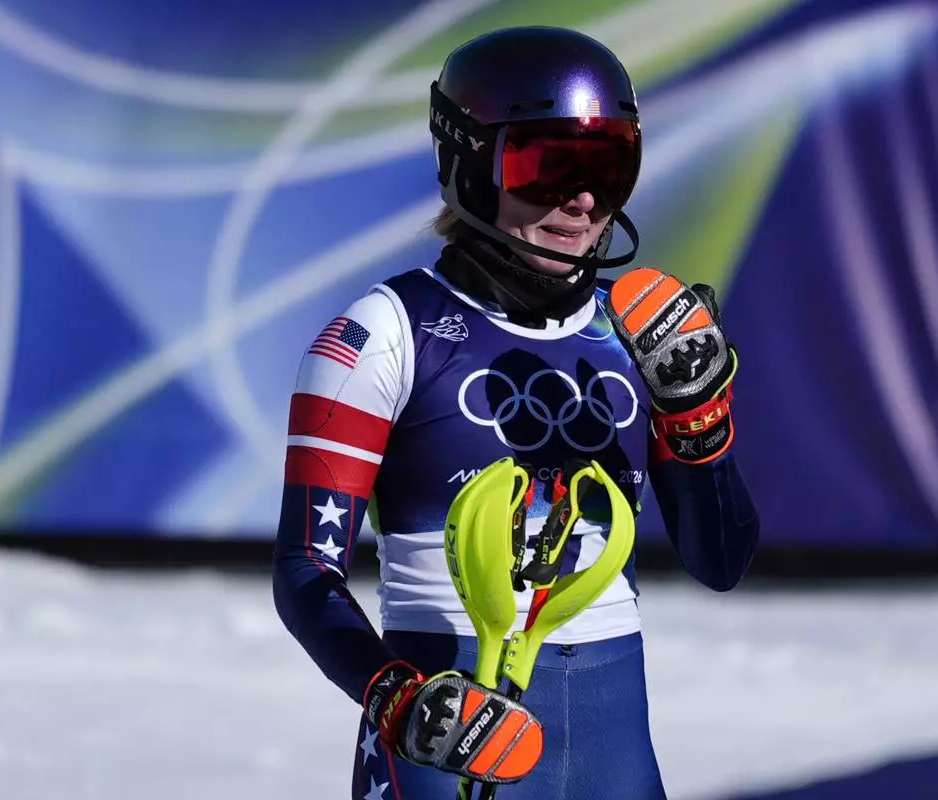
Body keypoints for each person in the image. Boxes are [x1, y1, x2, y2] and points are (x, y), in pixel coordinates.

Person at [272, 26, 760, 800]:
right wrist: (397, 697)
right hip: (446, 747)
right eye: (546, 166)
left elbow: (721, 563)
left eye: (610, 163)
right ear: (469, 166)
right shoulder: (381, 335)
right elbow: (305, 572)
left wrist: (697, 422)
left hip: (614, 751)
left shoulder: (638, 332)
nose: (583, 199)